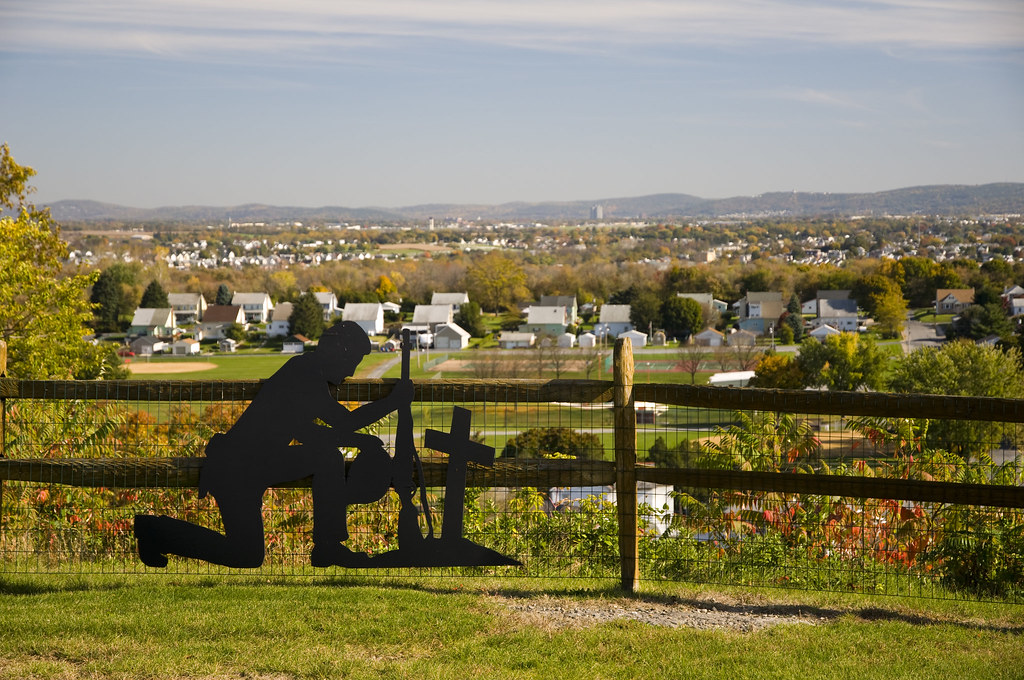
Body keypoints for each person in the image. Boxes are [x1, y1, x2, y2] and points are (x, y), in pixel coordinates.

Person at [134, 321, 413, 568]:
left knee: (327, 458)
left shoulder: (305, 370)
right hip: (239, 468)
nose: (352, 369)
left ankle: (328, 547)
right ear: (339, 351)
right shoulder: (305, 372)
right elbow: (341, 422)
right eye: (353, 359)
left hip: (253, 463)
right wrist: (392, 403)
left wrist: (363, 441)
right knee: (245, 555)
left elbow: (307, 432)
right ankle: (154, 530)